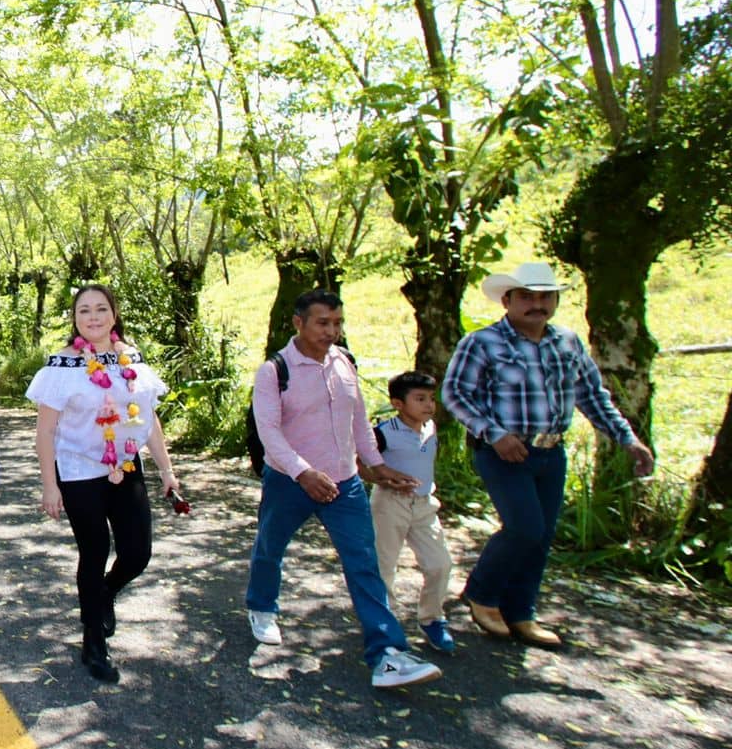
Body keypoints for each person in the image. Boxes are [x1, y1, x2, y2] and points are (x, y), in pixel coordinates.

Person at [441, 261, 654, 648]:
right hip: (502, 451)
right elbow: (455, 394)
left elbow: (593, 396)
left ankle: (521, 613)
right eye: (527, 297)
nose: (536, 304)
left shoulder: (567, 343)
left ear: (555, 300)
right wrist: (495, 434)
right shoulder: (483, 342)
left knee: (541, 537)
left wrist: (628, 439)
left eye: (545, 297)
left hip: (550, 451)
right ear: (508, 300)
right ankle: (483, 595)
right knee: (524, 527)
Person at [245, 288, 443, 690]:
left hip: (344, 484)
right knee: (270, 546)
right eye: (323, 323)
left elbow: (358, 420)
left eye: (337, 323)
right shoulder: (275, 371)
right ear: (299, 322)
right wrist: (303, 473)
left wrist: (377, 465)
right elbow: (269, 433)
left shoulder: (344, 362)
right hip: (289, 482)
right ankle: (262, 606)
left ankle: (387, 653)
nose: (331, 331)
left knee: (363, 563)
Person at [26, 284, 181, 684]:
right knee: (93, 553)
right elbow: (45, 432)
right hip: (79, 473)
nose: (92, 317)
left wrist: (166, 471)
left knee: (137, 554)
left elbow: (149, 421)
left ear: (113, 314)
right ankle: (93, 641)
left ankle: (105, 594)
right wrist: (49, 485)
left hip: (126, 467)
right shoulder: (62, 366)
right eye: (83, 312)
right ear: (75, 320)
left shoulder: (132, 359)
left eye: (100, 309)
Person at [366, 371, 455, 654]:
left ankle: (432, 618)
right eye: (420, 399)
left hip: (425, 505)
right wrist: (382, 478)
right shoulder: (383, 432)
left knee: (440, 563)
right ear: (398, 403)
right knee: (384, 566)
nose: (428, 405)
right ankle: (384, 622)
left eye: (431, 399)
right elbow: (359, 461)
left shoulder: (430, 428)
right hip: (390, 504)